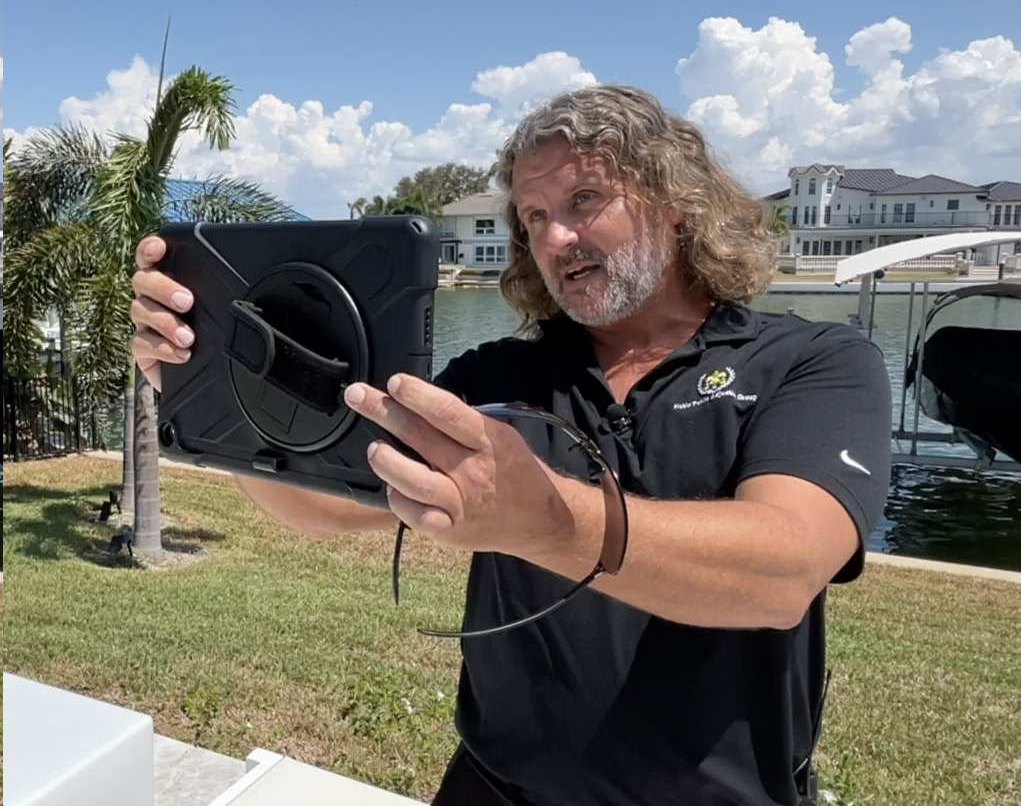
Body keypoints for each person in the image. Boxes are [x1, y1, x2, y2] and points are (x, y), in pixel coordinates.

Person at [130, 83, 892, 806]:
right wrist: (211, 382)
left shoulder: (811, 361)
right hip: (492, 788)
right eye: (532, 216)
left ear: (674, 203)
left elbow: (784, 570)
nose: (555, 238)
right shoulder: (497, 377)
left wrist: (546, 521)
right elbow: (326, 505)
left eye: (584, 200)